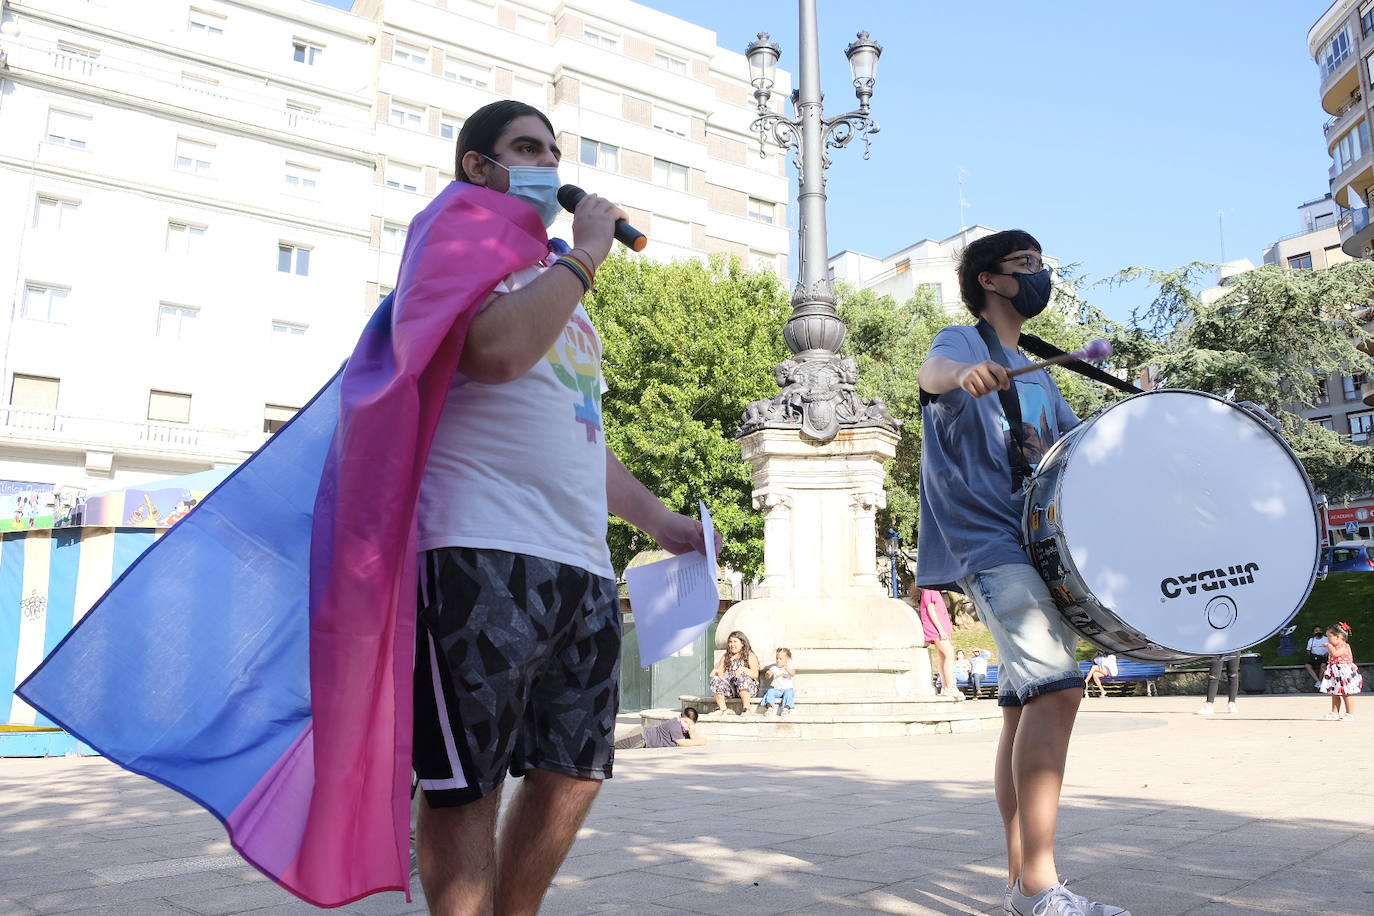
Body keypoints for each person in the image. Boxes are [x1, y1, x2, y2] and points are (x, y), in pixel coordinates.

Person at [410, 100, 714, 916]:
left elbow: (583, 430)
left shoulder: (562, 292)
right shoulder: (456, 235)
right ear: (479, 165)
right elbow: (495, 352)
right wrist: (583, 256)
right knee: (464, 781)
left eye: (554, 149)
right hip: (476, 545)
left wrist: (655, 520)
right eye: (526, 148)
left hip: (578, 562)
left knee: (577, 766)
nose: (549, 162)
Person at [916, 230, 1129, 916]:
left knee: (1022, 706)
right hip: (986, 541)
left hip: (1033, 543)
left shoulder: (1037, 369)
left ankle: (1021, 888)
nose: (1041, 276)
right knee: (1058, 690)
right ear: (992, 280)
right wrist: (962, 377)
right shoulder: (962, 342)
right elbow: (930, 374)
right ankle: (1041, 885)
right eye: (1027, 265)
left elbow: (1076, 451)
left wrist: (1136, 412)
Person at [919, 588, 963, 699]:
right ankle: (949, 687)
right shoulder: (930, 590)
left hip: (939, 630)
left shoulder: (932, 591)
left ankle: (945, 687)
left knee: (944, 657)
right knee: (949, 656)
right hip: (937, 630)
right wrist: (940, 630)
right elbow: (931, 609)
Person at [708, 630, 760, 716]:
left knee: (743, 677)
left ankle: (746, 709)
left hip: (747, 688)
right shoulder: (726, 656)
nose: (732, 644)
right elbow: (721, 672)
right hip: (731, 688)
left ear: (742, 643)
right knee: (716, 680)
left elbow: (755, 674)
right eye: (730, 642)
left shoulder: (749, 655)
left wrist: (743, 669)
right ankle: (723, 709)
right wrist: (717, 672)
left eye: (735, 642)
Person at [1319, 622, 1361, 720]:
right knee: (1335, 693)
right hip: (1335, 672)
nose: (1328, 639)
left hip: (1343, 673)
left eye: (1329, 637)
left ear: (1338, 637)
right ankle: (1334, 712)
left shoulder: (1344, 646)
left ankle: (1349, 714)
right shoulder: (1335, 646)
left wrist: (1329, 646)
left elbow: (1335, 654)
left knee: (1346, 693)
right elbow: (1332, 658)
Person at [616, 707, 707, 749]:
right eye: (686, 722)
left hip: (643, 738)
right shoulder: (675, 724)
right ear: (681, 717)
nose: (687, 726)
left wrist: (693, 732)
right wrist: (700, 742)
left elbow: (695, 739)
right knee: (613, 745)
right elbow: (681, 743)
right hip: (641, 737)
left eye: (690, 724)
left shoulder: (684, 729)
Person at [759, 648, 797, 717]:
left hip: (787, 689)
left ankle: (786, 708)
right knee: (770, 691)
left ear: (787, 660)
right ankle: (770, 707)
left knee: (789, 693)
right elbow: (768, 676)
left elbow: (793, 673)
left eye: (780, 659)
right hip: (777, 689)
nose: (778, 660)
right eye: (777, 658)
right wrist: (768, 673)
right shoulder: (774, 668)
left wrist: (786, 668)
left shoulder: (789, 667)